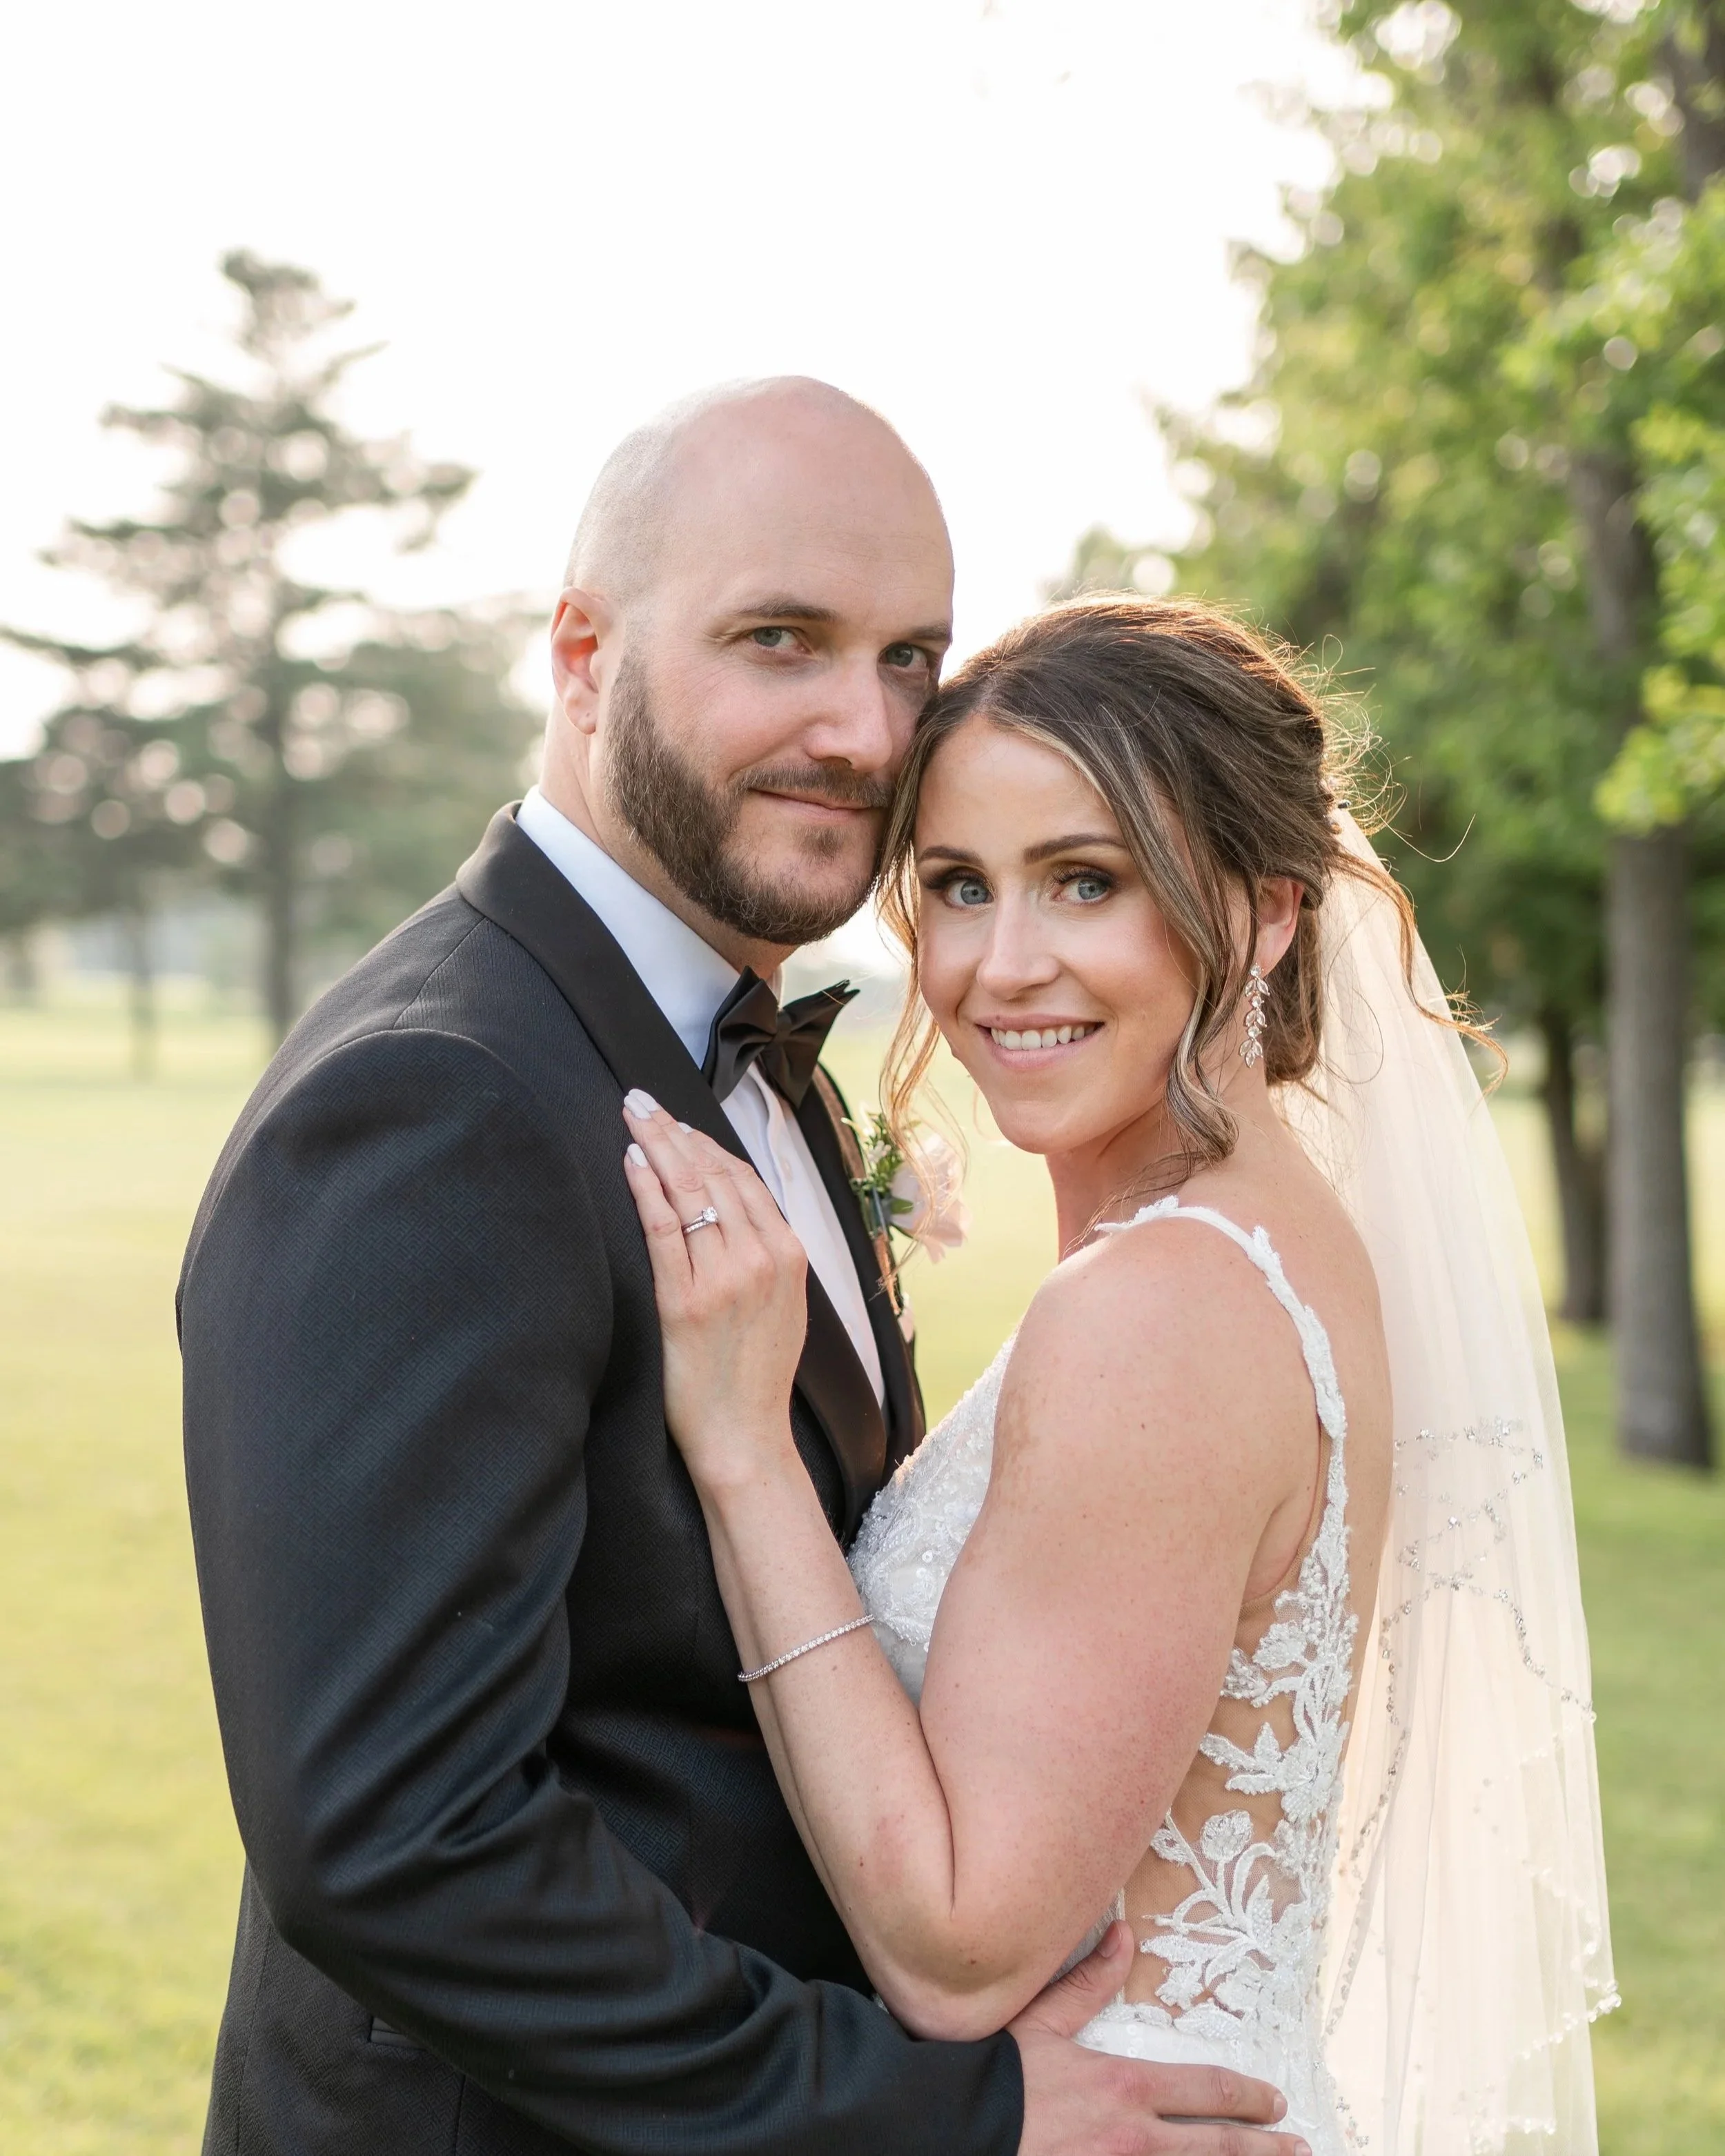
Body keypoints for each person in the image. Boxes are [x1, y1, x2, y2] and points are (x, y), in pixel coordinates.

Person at [179, 384, 1302, 2156]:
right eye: (778, 640)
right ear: (580, 655)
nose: (861, 727)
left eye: (908, 656)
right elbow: (399, 1842)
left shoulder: (741, 1048)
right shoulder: (434, 1101)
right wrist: (940, 2108)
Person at [620, 597, 1617, 2156]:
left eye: (1083, 881)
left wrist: (744, 1451)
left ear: (1266, 914)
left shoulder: (1158, 1305)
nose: (1000, 966)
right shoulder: (1278, 1236)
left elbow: (958, 1947)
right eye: (954, 886)